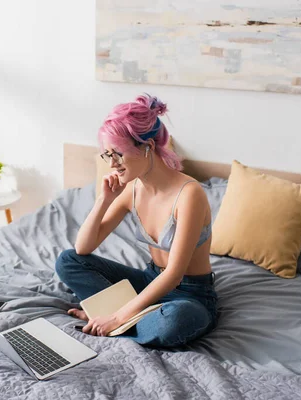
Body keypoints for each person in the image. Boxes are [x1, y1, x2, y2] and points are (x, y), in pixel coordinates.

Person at [55, 93, 217, 348]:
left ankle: (117, 319)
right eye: (107, 155)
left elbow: (174, 274)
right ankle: (134, 318)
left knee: (176, 320)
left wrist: (117, 316)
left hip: (189, 293)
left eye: (118, 154)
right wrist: (104, 200)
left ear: (148, 147)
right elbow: (82, 249)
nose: (113, 164)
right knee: (67, 261)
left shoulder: (189, 194)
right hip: (149, 280)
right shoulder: (131, 188)